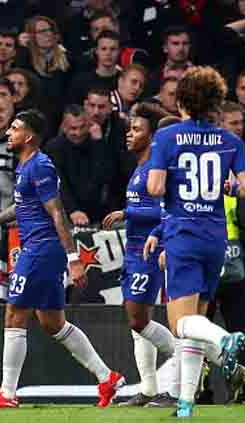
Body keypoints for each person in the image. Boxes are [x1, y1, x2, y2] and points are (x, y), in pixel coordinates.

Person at [0, 110, 125, 409]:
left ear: (28, 136)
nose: (9, 132)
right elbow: (21, 208)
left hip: (41, 248)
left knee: (14, 311)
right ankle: (107, 378)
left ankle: (7, 393)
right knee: (52, 322)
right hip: (40, 248)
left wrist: (74, 258)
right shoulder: (27, 167)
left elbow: (57, 212)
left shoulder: (39, 166)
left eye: (14, 128)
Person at [144, 66, 245, 418]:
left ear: (182, 100)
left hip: (183, 234)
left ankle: (223, 344)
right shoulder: (230, 140)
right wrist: (229, 187)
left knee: (180, 323)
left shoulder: (167, 137)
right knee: (194, 321)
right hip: (216, 239)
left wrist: (167, 170)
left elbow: (155, 188)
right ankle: (186, 403)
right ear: (214, 101)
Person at [102, 102, 177, 407]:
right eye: (129, 129)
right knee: (137, 323)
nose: (129, 135)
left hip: (150, 250)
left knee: (138, 320)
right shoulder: (139, 167)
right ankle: (148, 388)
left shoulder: (157, 171)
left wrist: (127, 212)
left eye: (136, 130)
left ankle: (192, 360)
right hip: (133, 250)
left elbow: (165, 212)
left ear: (152, 136)